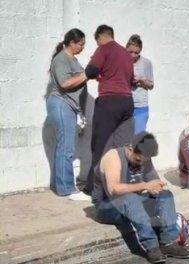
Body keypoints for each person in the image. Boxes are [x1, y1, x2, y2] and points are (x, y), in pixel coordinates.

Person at [93, 132, 189, 264]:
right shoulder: (113, 157)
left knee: (165, 196)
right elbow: (114, 189)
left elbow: (154, 181)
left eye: (144, 161)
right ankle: (151, 246)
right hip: (108, 207)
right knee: (129, 199)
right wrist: (145, 185)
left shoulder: (145, 157)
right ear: (130, 149)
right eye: (138, 160)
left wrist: (157, 188)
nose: (141, 163)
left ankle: (168, 243)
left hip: (131, 201)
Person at [83, 25, 135, 195]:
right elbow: (131, 80)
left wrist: (96, 72)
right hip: (127, 102)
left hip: (109, 102)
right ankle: (120, 185)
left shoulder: (103, 49)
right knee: (122, 147)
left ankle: (93, 188)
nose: (97, 43)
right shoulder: (126, 54)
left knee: (100, 145)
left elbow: (90, 71)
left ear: (100, 37)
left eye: (96, 40)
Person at [46, 28, 90, 201]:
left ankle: (61, 186)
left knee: (64, 146)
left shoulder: (72, 58)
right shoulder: (61, 59)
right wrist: (86, 74)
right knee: (67, 147)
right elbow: (65, 83)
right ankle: (68, 189)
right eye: (81, 44)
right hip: (61, 104)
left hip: (68, 106)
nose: (83, 47)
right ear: (71, 43)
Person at [126, 34, 154, 134]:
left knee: (138, 138)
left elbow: (151, 85)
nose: (133, 55)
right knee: (123, 138)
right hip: (124, 105)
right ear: (126, 48)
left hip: (141, 106)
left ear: (141, 50)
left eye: (136, 53)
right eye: (130, 52)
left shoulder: (146, 63)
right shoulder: (121, 61)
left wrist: (141, 80)